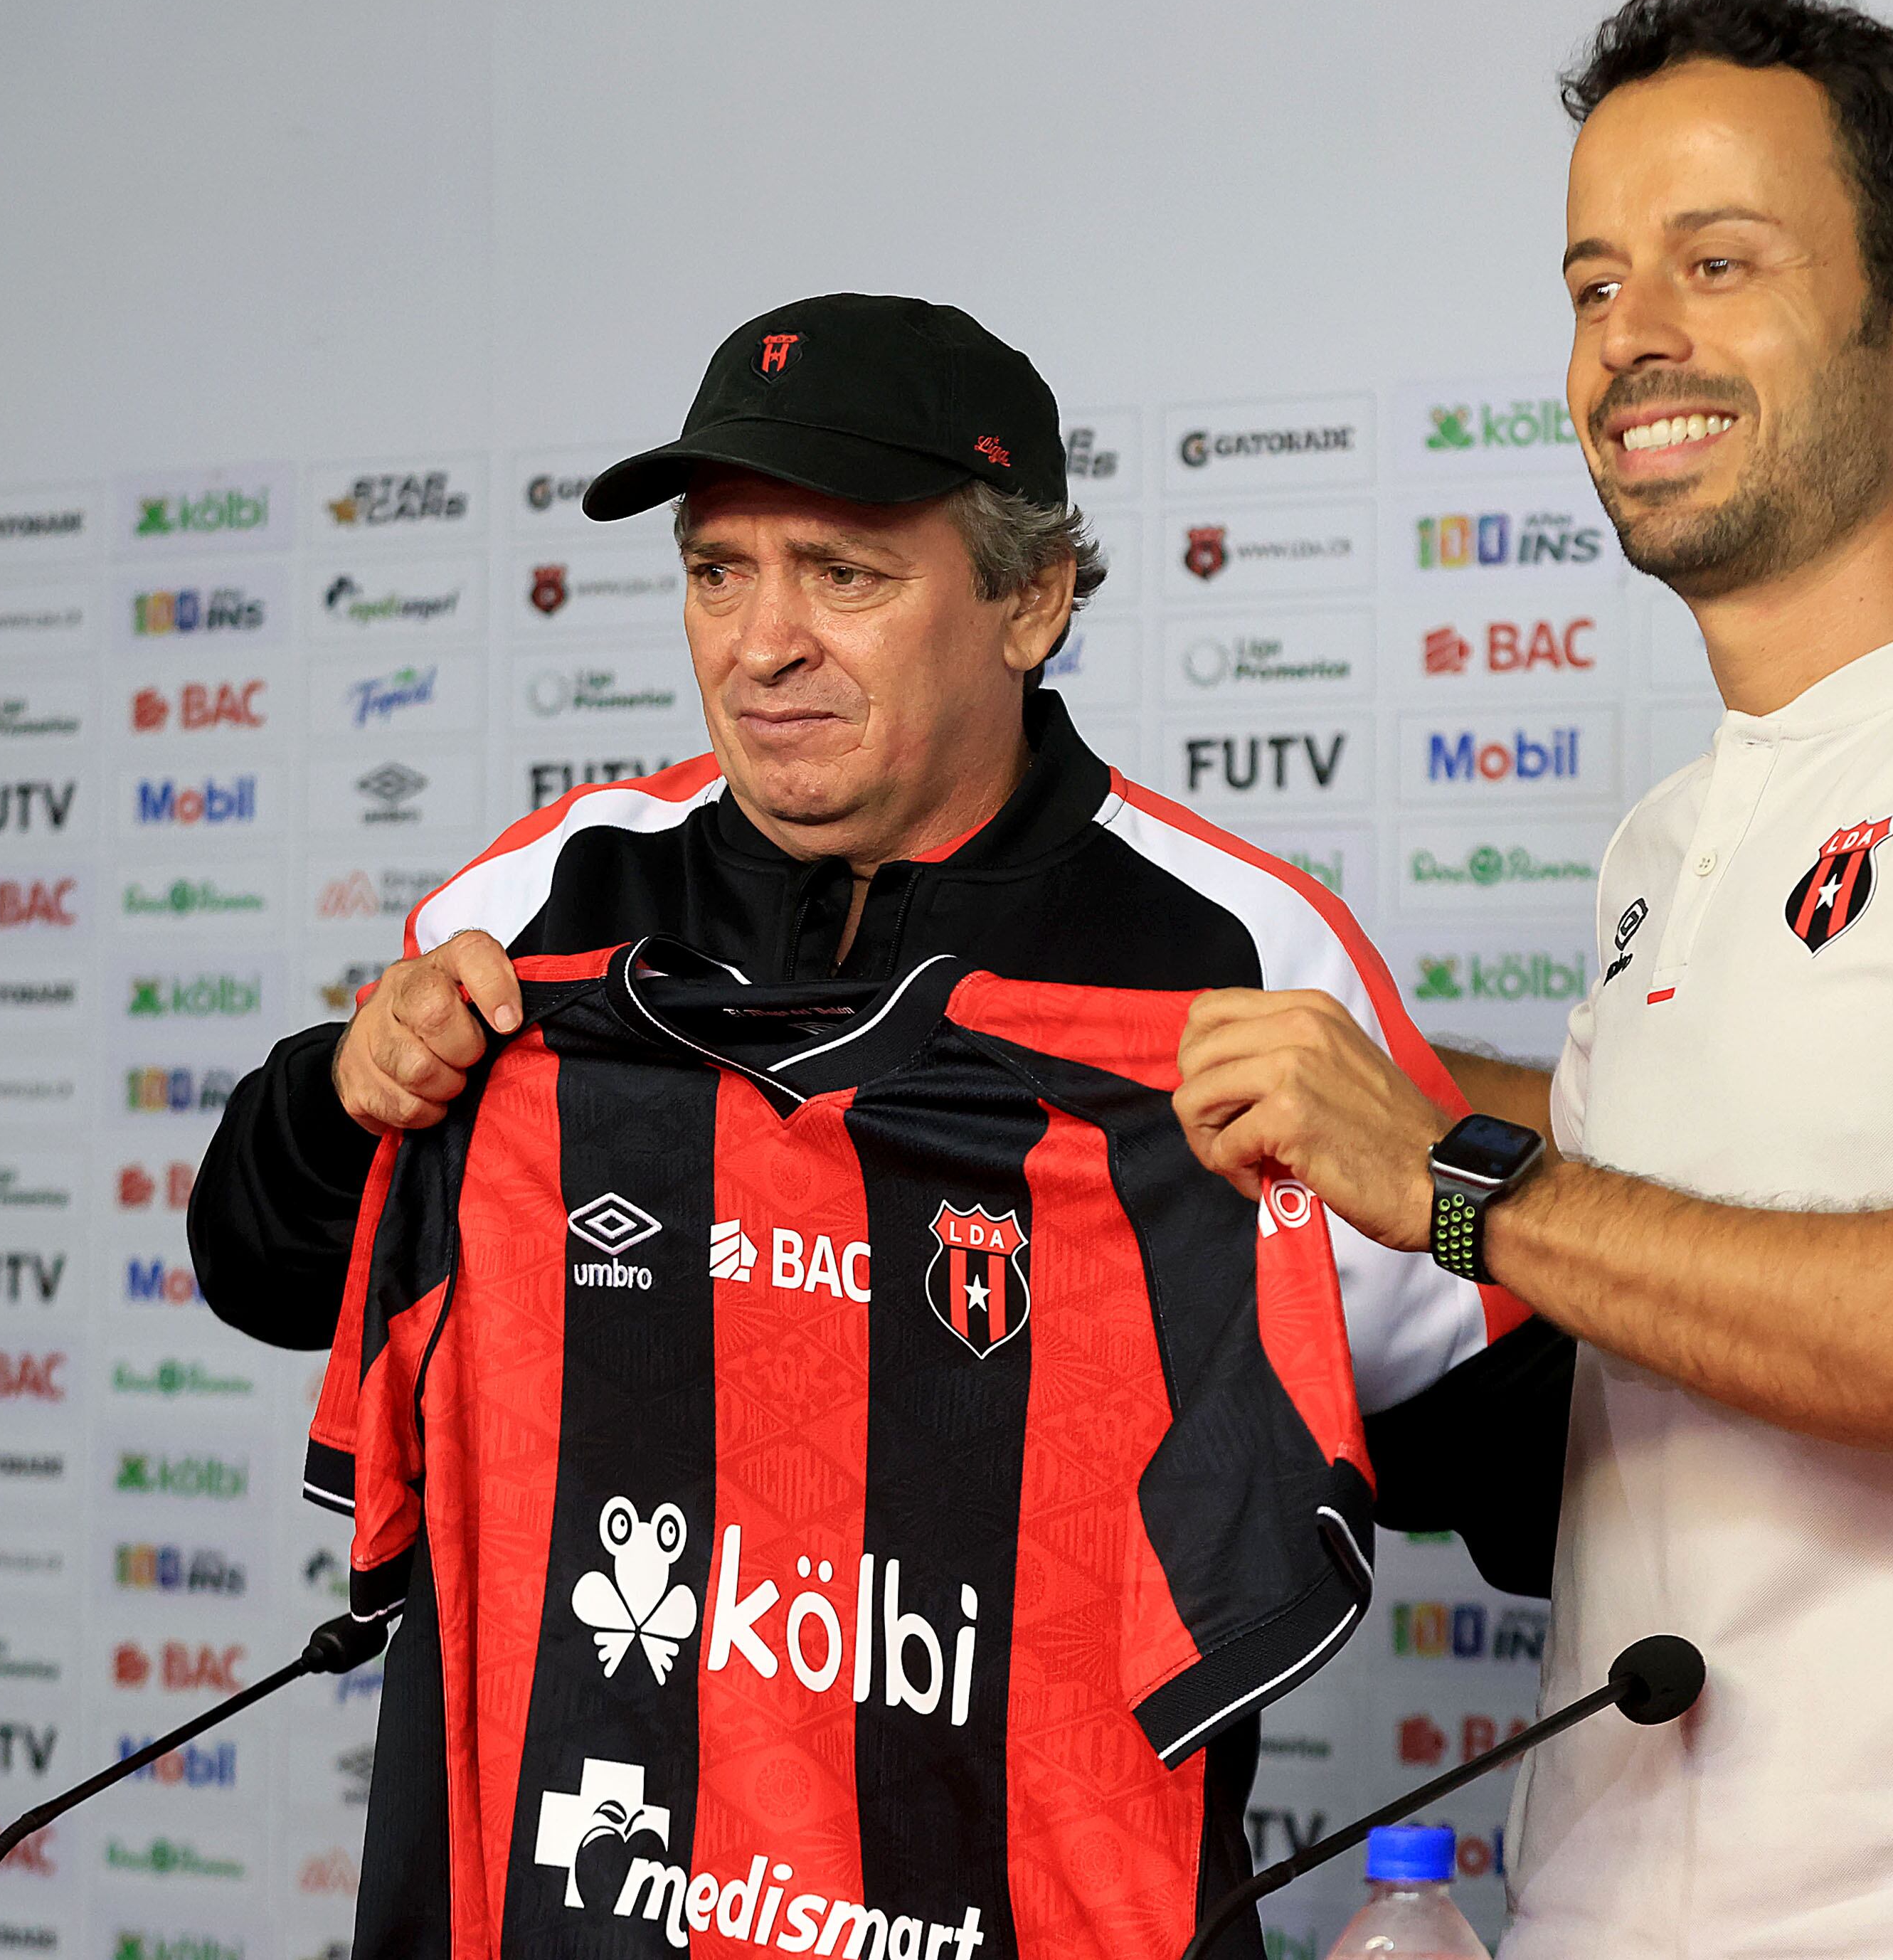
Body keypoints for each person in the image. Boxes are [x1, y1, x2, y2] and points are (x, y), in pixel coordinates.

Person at [1172, 0, 1893, 1960]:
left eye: (1718, 263)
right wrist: (1258, 1074)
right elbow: (1675, 1159)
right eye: (1593, 280)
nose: (1635, 336)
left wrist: (1450, 1180)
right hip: (1603, 1903)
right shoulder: (1677, 827)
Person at [191, 292, 1567, 1954]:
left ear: (1031, 597)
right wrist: (346, 1093)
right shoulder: (546, 902)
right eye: (718, 572)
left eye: (842, 575)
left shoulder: (1230, 956)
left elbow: (1512, 1450)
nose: (760, 644)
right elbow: (263, 1267)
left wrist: (1472, 1198)